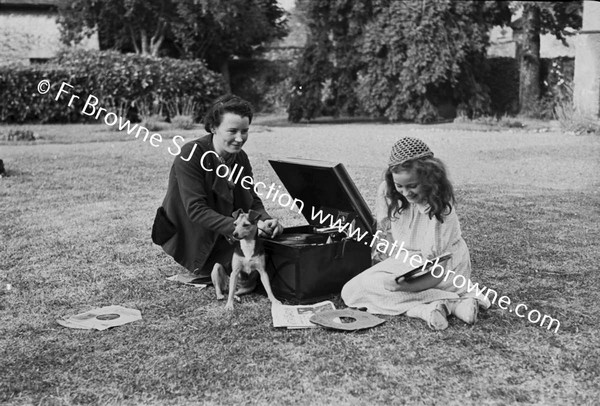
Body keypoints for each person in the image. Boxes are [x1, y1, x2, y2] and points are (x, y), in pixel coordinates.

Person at [341, 137, 490, 330]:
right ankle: (442, 306)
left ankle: (444, 303)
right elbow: (385, 238)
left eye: (413, 186)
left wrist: (401, 285)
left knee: (385, 287)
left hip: (442, 269)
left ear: (430, 180)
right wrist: (387, 270)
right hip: (406, 264)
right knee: (351, 290)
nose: (406, 192)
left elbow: (435, 265)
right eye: (399, 185)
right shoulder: (387, 192)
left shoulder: (440, 204)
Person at [152, 94, 283, 282]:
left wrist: (266, 220)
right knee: (253, 271)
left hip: (227, 231)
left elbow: (252, 201)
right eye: (232, 131)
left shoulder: (240, 158)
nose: (239, 138)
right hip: (193, 237)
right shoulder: (191, 155)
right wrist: (245, 229)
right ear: (213, 127)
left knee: (276, 257)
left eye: (244, 131)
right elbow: (196, 210)